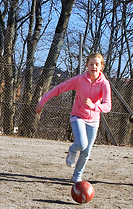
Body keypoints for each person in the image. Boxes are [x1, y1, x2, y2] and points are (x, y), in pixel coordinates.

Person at [36, 52, 112, 183]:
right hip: (78, 115)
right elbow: (60, 88)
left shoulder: (104, 84)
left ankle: (77, 176)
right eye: (91, 64)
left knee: (87, 151)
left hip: (94, 119)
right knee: (82, 144)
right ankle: (72, 150)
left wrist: (94, 106)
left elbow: (107, 106)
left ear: (102, 66)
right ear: (87, 66)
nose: (94, 67)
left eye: (97, 64)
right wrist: (43, 100)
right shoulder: (80, 79)